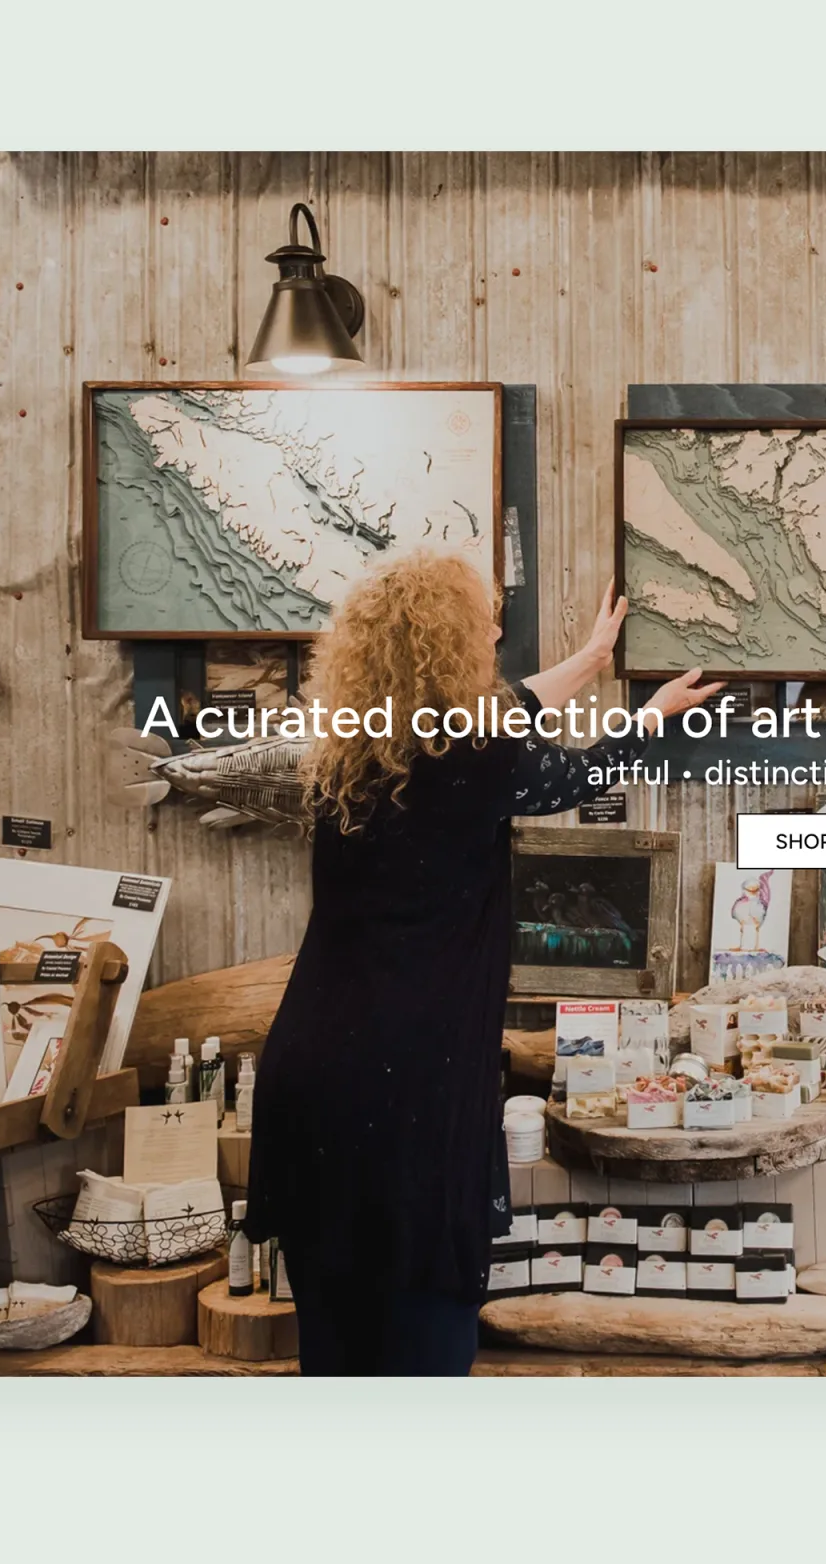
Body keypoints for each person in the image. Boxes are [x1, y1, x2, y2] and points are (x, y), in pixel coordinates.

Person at [243, 555, 719, 1375]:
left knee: (335, 1333)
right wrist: (650, 717)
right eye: (483, 621)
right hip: (409, 1079)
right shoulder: (473, 757)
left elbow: (507, 710)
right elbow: (579, 773)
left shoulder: (356, 748)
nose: (497, 631)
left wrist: (589, 660)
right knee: (427, 1328)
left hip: (314, 1071)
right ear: (450, 644)